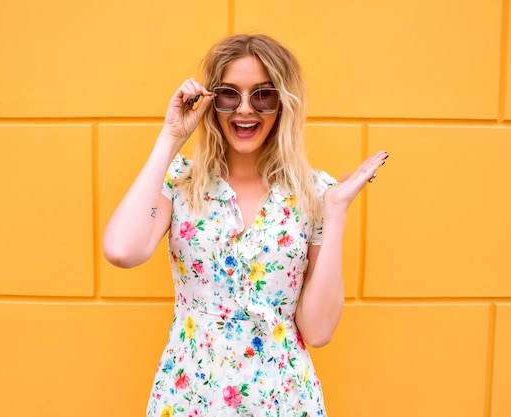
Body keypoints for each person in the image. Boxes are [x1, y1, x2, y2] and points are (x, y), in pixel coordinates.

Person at [103, 33, 388, 417]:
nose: (244, 110)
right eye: (229, 94)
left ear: (282, 103)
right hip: (190, 399)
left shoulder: (316, 193)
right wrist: (171, 137)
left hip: (283, 400)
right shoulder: (181, 182)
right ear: (211, 102)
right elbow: (122, 250)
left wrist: (335, 211)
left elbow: (318, 332)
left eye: (262, 95)